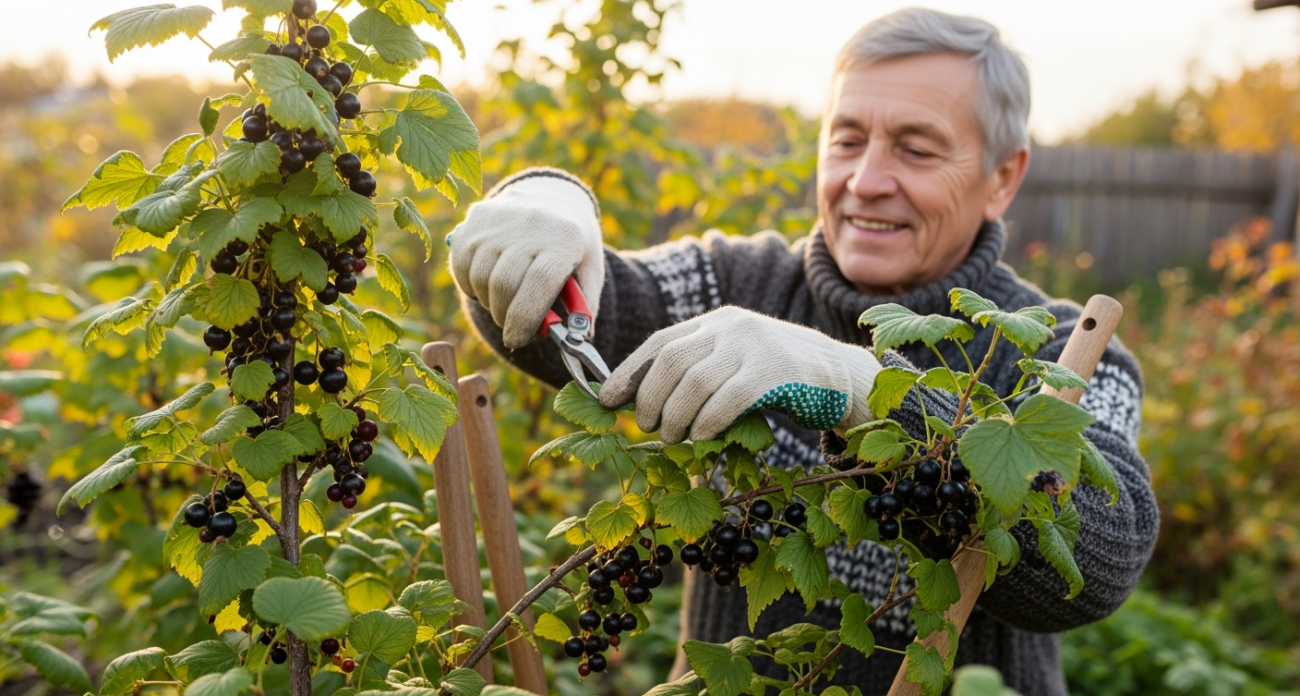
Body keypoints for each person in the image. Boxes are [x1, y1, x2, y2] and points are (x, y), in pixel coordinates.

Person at [446, 8, 1157, 694]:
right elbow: (573, 320)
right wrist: (547, 203)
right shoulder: (734, 285)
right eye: (846, 140)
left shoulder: (1061, 353)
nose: (865, 181)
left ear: (1002, 178)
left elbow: (1102, 554)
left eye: (916, 149)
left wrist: (863, 387)